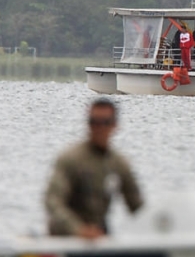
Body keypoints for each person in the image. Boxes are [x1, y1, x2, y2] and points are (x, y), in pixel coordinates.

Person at [45, 99, 143, 239]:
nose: (98, 128)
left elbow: (137, 207)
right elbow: (53, 201)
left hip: (99, 236)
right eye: (93, 122)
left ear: (114, 125)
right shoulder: (70, 160)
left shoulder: (118, 164)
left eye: (105, 122)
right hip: (65, 238)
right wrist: (78, 229)